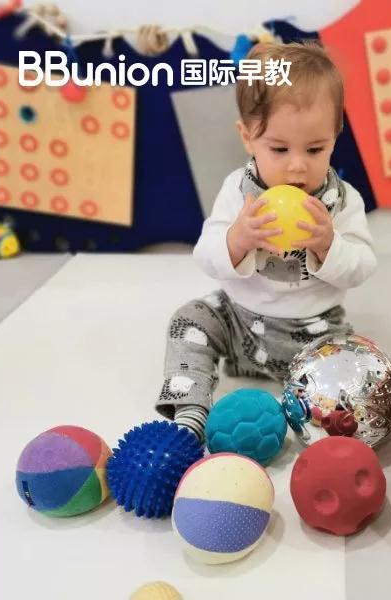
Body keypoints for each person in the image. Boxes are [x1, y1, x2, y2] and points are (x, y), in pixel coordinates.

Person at [155, 41, 377, 442]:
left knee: (358, 371)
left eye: (315, 149)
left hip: (315, 331)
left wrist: (329, 245)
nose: (297, 166)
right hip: (239, 322)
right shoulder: (238, 192)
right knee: (190, 320)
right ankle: (191, 409)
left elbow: (362, 266)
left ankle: (313, 418)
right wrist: (237, 239)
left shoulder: (343, 200)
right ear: (247, 137)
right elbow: (205, 254)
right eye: (279, 149)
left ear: (335, 135)